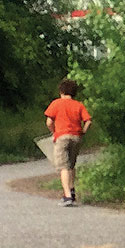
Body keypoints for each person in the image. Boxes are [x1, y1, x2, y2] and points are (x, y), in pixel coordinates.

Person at [44, 79, 91, 207]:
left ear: (61, 91)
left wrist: (54, 132)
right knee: (71, 165)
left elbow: (49, 122)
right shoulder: (78, 105)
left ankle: (67, 196)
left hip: (62, 137)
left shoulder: (56, 103)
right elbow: (88, 121)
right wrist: (83, 132)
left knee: (63, 166)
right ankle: (72, 189)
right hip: (76, 137)